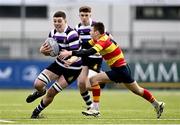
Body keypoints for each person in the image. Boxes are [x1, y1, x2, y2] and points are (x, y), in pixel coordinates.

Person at [59, 22, 165, 119]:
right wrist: (70, 46)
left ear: (96, 32)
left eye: (91, 31)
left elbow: (89, 52)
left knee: (93, 80)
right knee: (138, 90)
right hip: (123, 69)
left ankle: (95, 109)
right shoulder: (98, 39)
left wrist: (70, 53)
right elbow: (85, 45)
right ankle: (157, 104)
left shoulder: (103, 41)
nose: (89, 32)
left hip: (120, 70)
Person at [26, 11, 82, 118]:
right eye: (55, 21)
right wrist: (43, 51)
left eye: (59, 21)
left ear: (65, 21)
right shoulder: (52, 33)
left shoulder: (72, 34)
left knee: (51, 92)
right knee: (37, 84)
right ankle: (40, 92)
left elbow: (78, 54)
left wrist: (71, 60)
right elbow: (51, 53)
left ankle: (36, 113)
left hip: (73, 69)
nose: (57, 23)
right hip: (58, 64)